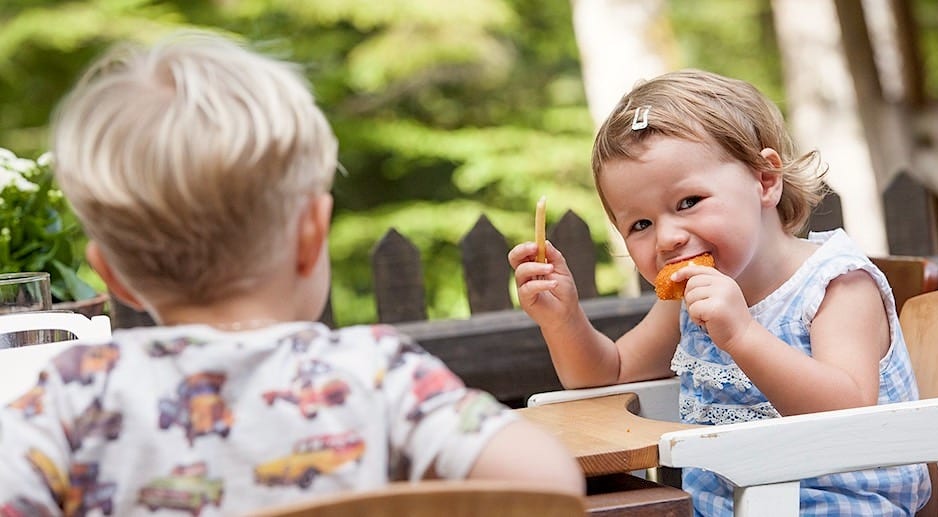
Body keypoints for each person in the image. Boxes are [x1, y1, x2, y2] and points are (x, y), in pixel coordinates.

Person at [0, 31, 584, 515]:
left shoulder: (71, 394)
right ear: (312, 234)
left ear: (112, 277)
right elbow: (549, 483)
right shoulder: (378, 375)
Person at [509, 69, 930, 516]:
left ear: (765, 180)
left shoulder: (836, 284)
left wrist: (742, 336)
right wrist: (563, 320)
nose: (667, 237)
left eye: (688, 202)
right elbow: (610, 372)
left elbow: (846, 416)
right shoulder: (690, 299)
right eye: (640, 224)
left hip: (846, 505)